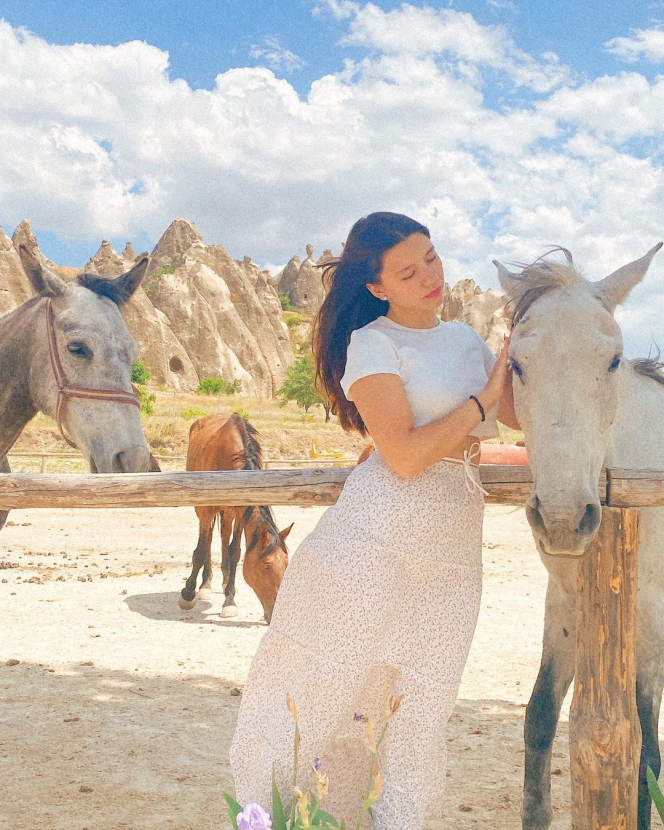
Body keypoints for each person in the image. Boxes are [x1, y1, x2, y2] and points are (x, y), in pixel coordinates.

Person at [230, 212, 519, 829]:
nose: (430, 278)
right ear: (378, 287)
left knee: (422, 715)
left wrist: (533, 350)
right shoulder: (373, 344)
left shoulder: (468, 341)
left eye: (433, 259)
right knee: (320, 695)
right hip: (375, 541)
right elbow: (407, 455)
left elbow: (520, 421)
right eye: (408, 272)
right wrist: (482, 400)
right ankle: (274, 818)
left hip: (454, 550)